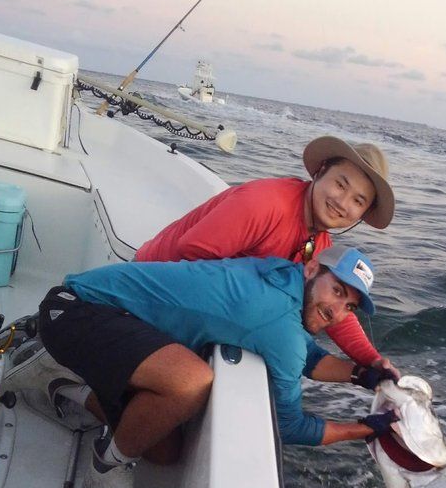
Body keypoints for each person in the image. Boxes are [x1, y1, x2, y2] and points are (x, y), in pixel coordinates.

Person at [5, 245, 398, 488]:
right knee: (191, 381)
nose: (338, 308)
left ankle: (58, 380)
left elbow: (306, 353)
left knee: (164, 450)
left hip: (105, 317)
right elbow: (290, 426)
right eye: (337, 289)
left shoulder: (284, 277)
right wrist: (365, 429)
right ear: (314, 268)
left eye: (349, 305)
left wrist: (357, 375)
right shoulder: (277, 320)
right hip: (78, 310)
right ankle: (105, 471)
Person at [135, 135, 397, 372]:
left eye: (358, 201)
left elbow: (333, 306)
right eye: (341, 185)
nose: (342, 203)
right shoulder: (265, 204)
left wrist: (372, 360)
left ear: (362, 215)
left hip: (190, 305)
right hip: (147, 290)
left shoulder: (320, 243)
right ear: (320, 171)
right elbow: (190, 253)